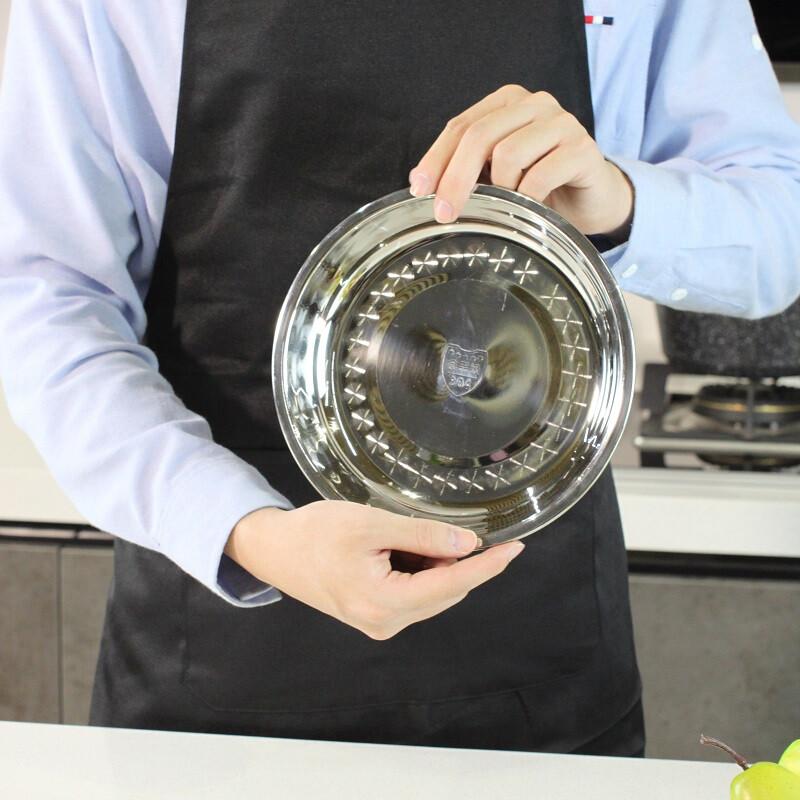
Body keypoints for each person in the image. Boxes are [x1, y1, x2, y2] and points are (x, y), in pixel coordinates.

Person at [1, 0, 799, 755]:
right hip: (216, 652)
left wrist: (622, 200)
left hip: (539, 669)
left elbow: (780, 229)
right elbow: (45, 297)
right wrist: (245, 531)